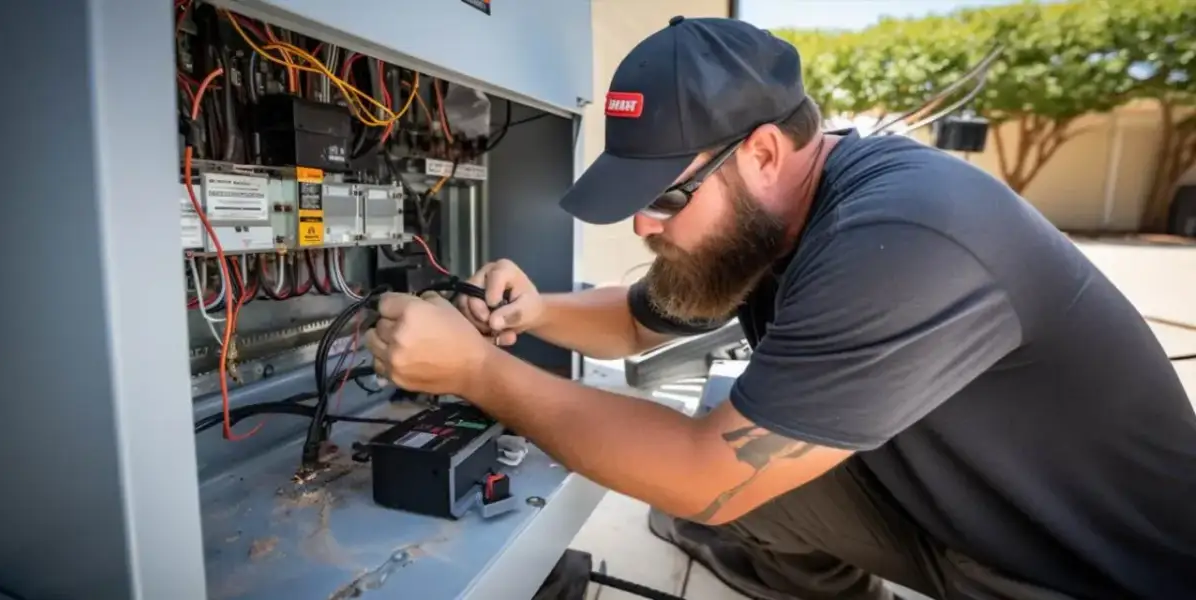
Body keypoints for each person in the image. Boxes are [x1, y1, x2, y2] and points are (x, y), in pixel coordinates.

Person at [364, 16, 1196, 600]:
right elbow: (639, 321)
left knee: (712, 482)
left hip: (1083, 572)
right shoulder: (768, 218)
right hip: (959, 524)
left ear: (763, 151)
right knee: (727, 439)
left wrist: (477, 370)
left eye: (667, 195)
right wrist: (532, 313)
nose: (646, 224)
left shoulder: (908, 234)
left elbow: (703, 479)